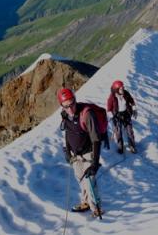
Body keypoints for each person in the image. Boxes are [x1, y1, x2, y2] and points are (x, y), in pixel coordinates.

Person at [58, 87, 104, 218]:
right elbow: (68, 132)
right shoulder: (65, 114)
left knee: (90, 181)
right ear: (62, 105)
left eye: (72, 103)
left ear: (75, 100)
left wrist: (94, 163)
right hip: (75, 155)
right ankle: (86, 202)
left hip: (89, 152)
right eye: (66, 106)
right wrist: (68, 151)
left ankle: (96, 207)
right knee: (80, 178)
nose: (70, 108)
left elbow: (96, 139)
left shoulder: (87, 114)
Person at [106, 80, 137, 154]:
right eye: (121, 88)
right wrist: (113, 116)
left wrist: (134, 109)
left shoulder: (125, 93)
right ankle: (120, 147)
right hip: (117, 116)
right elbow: (109, 109)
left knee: (130, 131)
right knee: (118, 132)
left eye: (123, 87)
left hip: (126, 114)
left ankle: (132, 145)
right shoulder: (112, 97)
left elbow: (131, 100)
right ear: (116, 89)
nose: (123, 89)